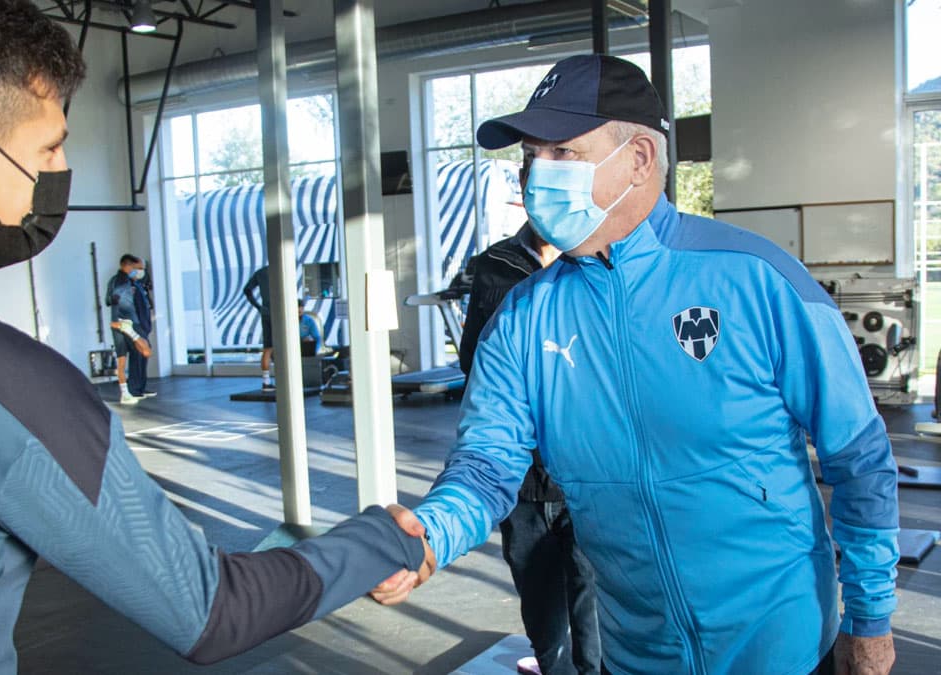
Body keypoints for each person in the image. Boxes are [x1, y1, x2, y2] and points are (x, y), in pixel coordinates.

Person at [0, 1, 426, 672]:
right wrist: (375, 541)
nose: (55, 170)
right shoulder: (8, 386)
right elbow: (210, 609)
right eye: (48, 146)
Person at [374, 54, 898, 675]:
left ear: (640, 159)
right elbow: (487, 467)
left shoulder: (757, 279)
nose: (535, 175)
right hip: (640, 652)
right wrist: (430, 534)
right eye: (529, 156)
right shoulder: (522, 319)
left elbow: (858, 456)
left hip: (780, 644)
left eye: (563, 153)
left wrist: (871, 619)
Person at [459, 225, 598, 675]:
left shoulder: (597, 258)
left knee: (591, 595)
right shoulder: (494, 266)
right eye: (530, 168)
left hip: (587, 473)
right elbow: (473, 361)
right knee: (540, 602)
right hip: (522, 479)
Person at [106, 253, 153, 402]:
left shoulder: (133, 283)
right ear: (128, 266)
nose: (139, 271)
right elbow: (113, 301)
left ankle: (136, 389)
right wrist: (118, 321)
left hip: (133, 322)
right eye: (136, 268)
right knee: (138, 352)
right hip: (127, 322)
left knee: (140, 354)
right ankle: (132, 389)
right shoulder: (119, 282)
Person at [243, 264, 276, 390]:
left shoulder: (261, 272)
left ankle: (266, 381)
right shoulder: (281, 270)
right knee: (282, 347)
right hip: (279, 312)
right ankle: (285, 379)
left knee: (268, 348)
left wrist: (258, 307)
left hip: (266, 312)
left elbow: (247, 290)